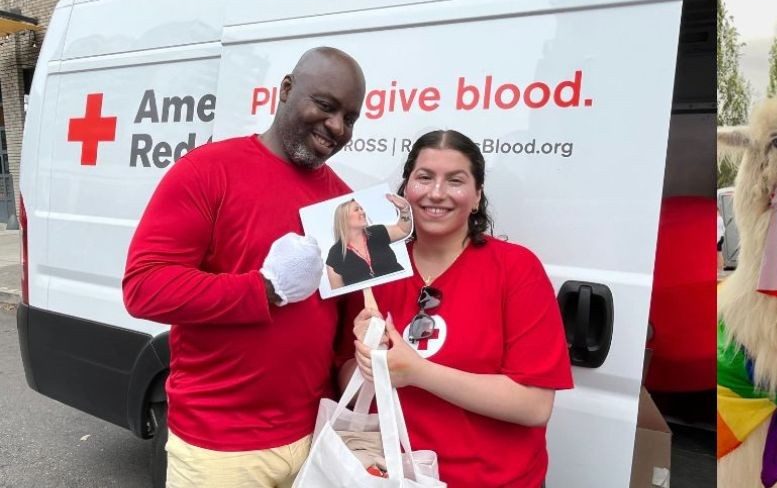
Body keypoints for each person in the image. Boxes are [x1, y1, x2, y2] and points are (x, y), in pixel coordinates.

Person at [123, 47, 366, 487]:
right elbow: (144, 287)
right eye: (326, 106)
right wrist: (265, 288)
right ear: (287, 90)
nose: (336, 127)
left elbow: (347, 326)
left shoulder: (345, 204)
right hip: (220, 450)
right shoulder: (207, 171)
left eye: (349, 118)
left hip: (316, 439)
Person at [341, 129, 573, 487]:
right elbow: (345, 384)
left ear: (477, 196)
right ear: (406, 190)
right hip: (389, 476)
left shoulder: (516, 269)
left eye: (455, 180)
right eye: (424, 177)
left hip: (492, 480)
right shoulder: (373, 269)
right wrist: (366, 358)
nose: (436, 193)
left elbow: (535, 406)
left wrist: (417, 372)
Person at [324, 195, 411, 289]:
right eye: (356, 209)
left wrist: (405, 210)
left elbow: (403, 230)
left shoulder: (377, 232)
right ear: (344, 218)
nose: (362, 212)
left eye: (361, 209)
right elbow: (339, 295)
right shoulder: (335, 255)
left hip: (403, 288)